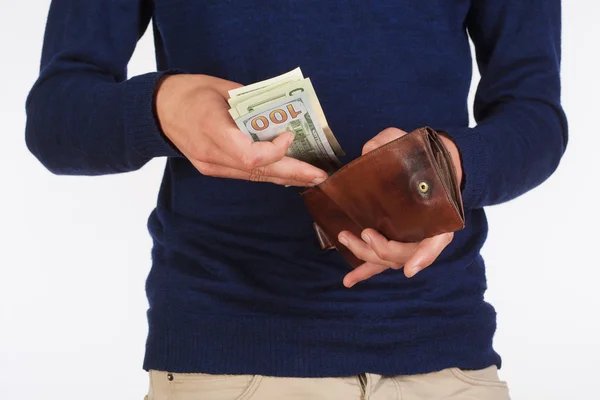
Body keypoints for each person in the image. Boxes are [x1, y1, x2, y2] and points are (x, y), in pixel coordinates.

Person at [25, 1, 567, 399]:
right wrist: (164, 105)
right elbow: (55, 117)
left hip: (443, 358)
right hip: (226, 358)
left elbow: (535, 117)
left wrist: (450, 167)